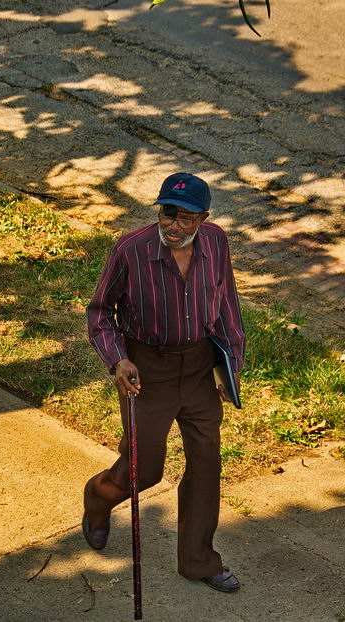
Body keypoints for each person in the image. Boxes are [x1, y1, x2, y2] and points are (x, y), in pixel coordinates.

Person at [84, 172, 245, 592]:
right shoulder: (131, 249)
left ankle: (199, 561)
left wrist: (229, 366)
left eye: (186, 217)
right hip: (147, 371)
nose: (174, 225)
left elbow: (226, 302)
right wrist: (118, 360)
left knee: (206, 464)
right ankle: (99, 496)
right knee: (144, 471)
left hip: (198, 367)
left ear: (203, 218)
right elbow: (100, 312)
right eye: (167, 213)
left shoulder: (216, 242)